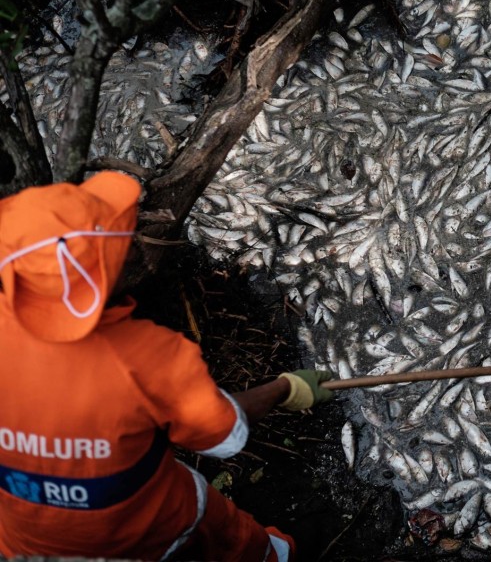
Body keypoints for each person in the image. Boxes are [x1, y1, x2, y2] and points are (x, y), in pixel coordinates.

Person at [0, 172, 335, 561]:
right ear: (107, 272)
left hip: (22, 538)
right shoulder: (150, 357)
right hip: (138, 528)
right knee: (215, 521)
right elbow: (225, 439)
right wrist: (285, 388)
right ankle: (275, 554)